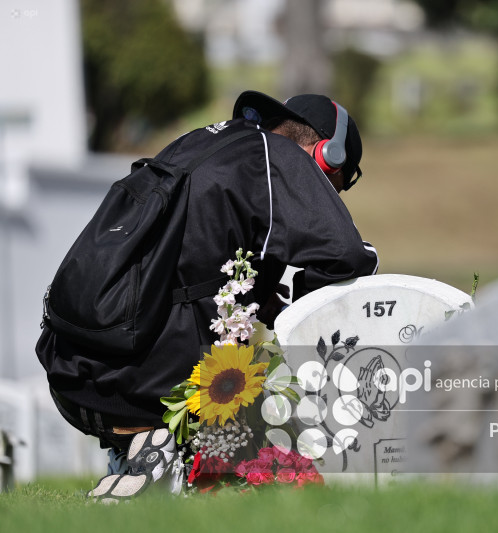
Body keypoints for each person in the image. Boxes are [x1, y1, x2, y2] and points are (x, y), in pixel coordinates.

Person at [36, 91, 378, 501]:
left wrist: (264, 295)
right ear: (327, 155)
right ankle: (166, 454)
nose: (332, 199)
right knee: (265, 377)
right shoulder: (281, 158)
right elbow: (349, 258)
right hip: (146, 379)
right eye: (338, 185)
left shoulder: (207, 143)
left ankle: (142, 454)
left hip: (73, 369)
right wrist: (292, 307)